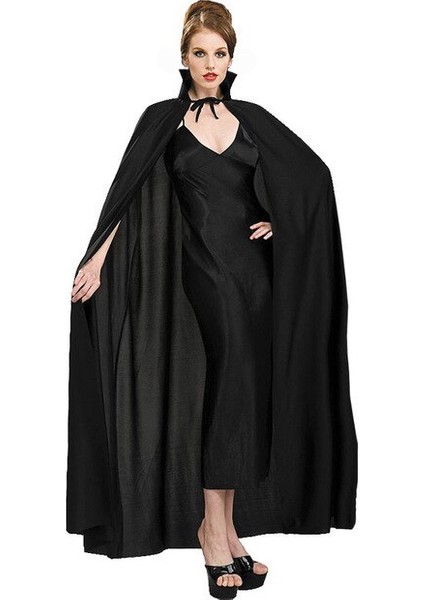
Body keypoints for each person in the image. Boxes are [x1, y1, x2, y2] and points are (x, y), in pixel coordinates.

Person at [68, 2, 358, 598]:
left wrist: (282, 221)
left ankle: (224, 530)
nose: (210, 63)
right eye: (199, 52)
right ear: (183, 57)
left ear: (231, 58)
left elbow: (315, 178)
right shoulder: (163, 120)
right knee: (230, 387)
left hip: (258, 276)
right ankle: (211, 533)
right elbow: (126, 194)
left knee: (244, 393)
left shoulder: (252, 119)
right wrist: (96, 258)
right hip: (207, 273)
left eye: (219, 53)